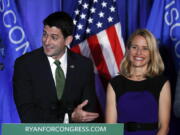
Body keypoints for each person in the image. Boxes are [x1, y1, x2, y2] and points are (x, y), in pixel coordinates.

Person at [13, 11, 99, 123]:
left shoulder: (84, 66)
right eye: (44, 34)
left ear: (67, 40)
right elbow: (27, 114)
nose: (46, 41)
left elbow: (88, 112)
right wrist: (69, 118)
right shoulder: (24, 64)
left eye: (54, 37)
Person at [105, 29, 171, 135]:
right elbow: (110, 127)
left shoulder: (161, 83)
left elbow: (164, 127)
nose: (139, 53)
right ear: (128, 50)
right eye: (134, 47)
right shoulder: (115, 83)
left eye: (145, 48)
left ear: (152, 53)